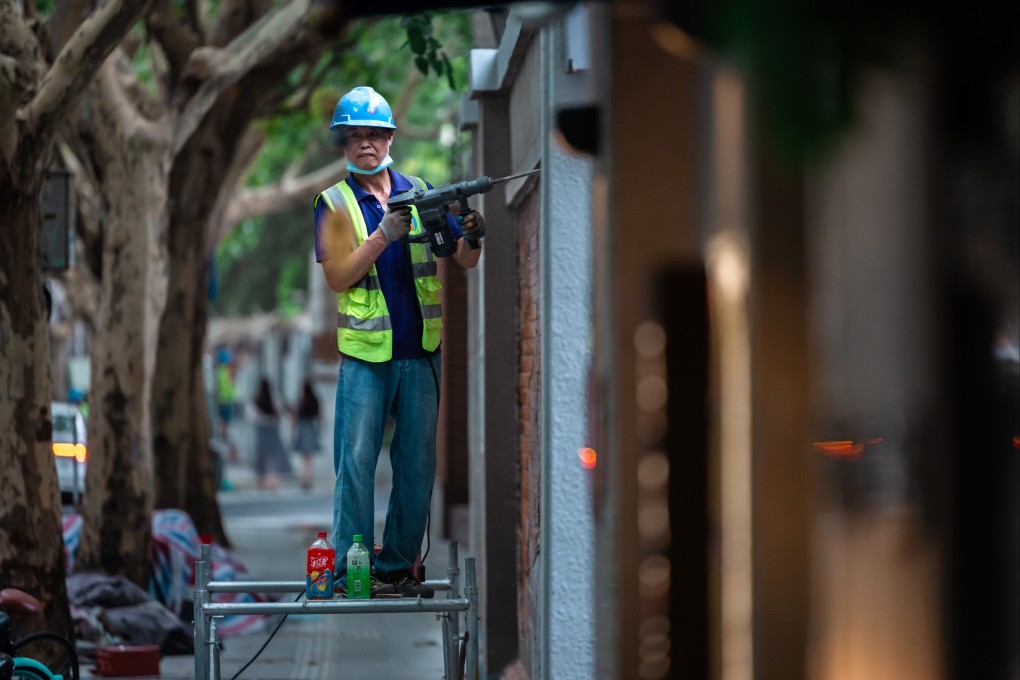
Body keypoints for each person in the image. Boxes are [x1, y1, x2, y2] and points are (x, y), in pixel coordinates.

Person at [314, 86, 484, 598]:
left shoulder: (423, 192)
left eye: (375, 134)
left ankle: (396, 568)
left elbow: (464, 259)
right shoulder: (334, 205)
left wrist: (473, 234)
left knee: (417, 468)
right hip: (365, 358)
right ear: (344, 144)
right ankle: (350, 572)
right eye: (355, 136)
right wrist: (383, 234)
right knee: (356, 465)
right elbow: (338, 277)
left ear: (391, 138)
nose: (366, 143)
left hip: (420, 353)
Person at [250, 378, 291, 490]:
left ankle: (261, 480)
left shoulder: (257, 400)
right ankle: (272, 480)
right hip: (273, 429)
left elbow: (251, 416)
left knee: (261, 455)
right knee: (273, 456)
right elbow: (281, 413)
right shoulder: (274, 399)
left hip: (261, 429)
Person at [291, 379, 322, 491]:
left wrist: (292, 430)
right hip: (311, 428)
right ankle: (308, 479)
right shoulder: (315, 400)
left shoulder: (301, 400)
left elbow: (295, 416)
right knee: (310, 458)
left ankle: (304, 479)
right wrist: (319, 430)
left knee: (304, 458)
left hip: (303, 428)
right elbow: (319, 416)